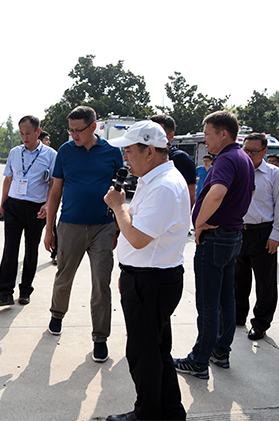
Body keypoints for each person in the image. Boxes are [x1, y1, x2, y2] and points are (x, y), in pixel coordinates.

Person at [104, 120, 189, 421]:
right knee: (156, 350)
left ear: (149, 151)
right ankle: (168, 410)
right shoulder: (155, 179)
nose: (125, 158)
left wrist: (118, 206)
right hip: (146, 277)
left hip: (151, 280)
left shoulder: (164, 186)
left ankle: (148, 414)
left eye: (129, 151)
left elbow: (138, 238)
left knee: (143, 354)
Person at [174, 110, 255, 379]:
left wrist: (198, 224)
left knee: (208, 302)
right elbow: (250, 191)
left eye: (208, 134)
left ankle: (199, 360)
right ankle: (221, 351)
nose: (205, 140)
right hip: (233, 235)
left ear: (223, 133)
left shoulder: (226, 159)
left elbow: (218, 192)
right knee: (225, 298)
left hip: (216, 237)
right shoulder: (243, 157)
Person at [44, 105, 123, 362]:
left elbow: (120, 192)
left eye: (79, 130)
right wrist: (49, 228)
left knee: (101, 282)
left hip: (103, 226)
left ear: (93, 127)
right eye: (71, 129)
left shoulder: (112, 153)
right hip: (70, 225)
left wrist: (117, 228)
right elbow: (55, 192)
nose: (74, 134)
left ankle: (100, 338)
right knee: (64, 276)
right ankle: (57, 315)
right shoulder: (65, 152)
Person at [0, 115, 57, 306]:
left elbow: (54, 184)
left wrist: (47, 205)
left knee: (31, 250)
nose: (24, 137)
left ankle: (25, 290)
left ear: (38, 132)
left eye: (28, 133)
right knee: (10, 250)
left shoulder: (50, 155)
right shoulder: (14, 152)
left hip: (36, 209)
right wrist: (2, 205)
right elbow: (8, 179)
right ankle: (5, 293)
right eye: (21, 133)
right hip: (13, 206)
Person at [235, 134, 279, 340]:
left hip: (263, 233)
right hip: (239, 230)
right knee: (238, 278)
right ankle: (238, 316)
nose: (247, 154)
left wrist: (276, 234)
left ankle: (261, 323)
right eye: (245, 150)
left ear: (264, 152)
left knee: (265, 282)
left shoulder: (275, 175)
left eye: (253, 151)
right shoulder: (238, 171)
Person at [150, 114, 196, 208]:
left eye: (158, 134)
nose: (151, 138)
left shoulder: (181, 159)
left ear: (170, 137)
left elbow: (190, 195)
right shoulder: (147, 158)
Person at [38, 130, 58, 264]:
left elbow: (54, 183)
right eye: (46, 139)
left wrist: (49, 203)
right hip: (37, 202)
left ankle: (55, 252)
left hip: (49, 201)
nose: (48, 142)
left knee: (52, 228)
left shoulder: (52, 155)